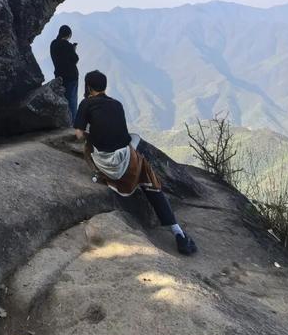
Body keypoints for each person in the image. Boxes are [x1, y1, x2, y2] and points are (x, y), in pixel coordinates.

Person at [74, 69, 197, 256]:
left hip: (104, 162)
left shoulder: (86, 104)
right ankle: (178, 233)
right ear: (105, 86)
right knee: (151, 182)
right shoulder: (117, 104)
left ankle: (100, 174)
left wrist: (91, 132)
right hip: (127, 160)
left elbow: (79, 134)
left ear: (88, 86)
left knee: (89, 144)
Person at [50, 24, 79, 122]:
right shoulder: (68, 46)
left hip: (59, 77)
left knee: (63, 99)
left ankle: (64, 121)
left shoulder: (53, 44)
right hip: (71, 77)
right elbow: (75, 59)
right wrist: (73, 50)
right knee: (72, 101)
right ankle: (73, 123)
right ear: (69, 35)